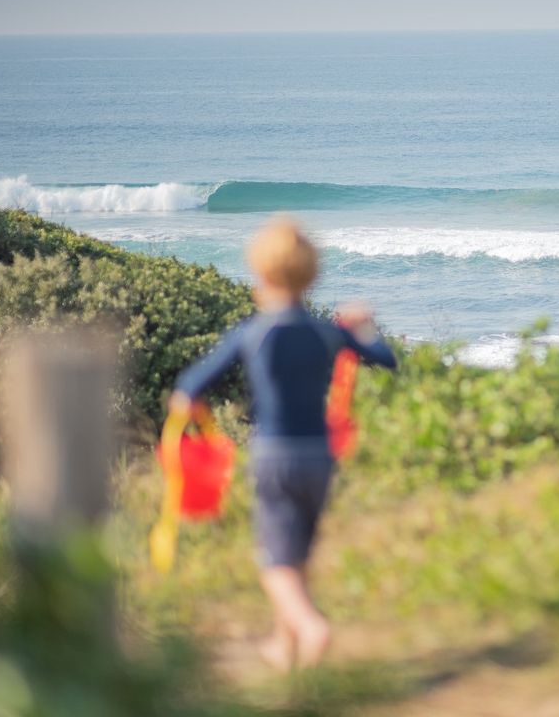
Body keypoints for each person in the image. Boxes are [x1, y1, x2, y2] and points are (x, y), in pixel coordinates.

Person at [169, 216, 397, 670]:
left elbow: (190, 386)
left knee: (274, 560)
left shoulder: (254, 332)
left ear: (261, 275)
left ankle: (312, 628)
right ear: (311, 275)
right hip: (319, 456)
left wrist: (191, 418)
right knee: (296, 553)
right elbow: (385, 359)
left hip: (274, 455)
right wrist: (363, 327)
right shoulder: (325, 331)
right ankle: (284, 643)